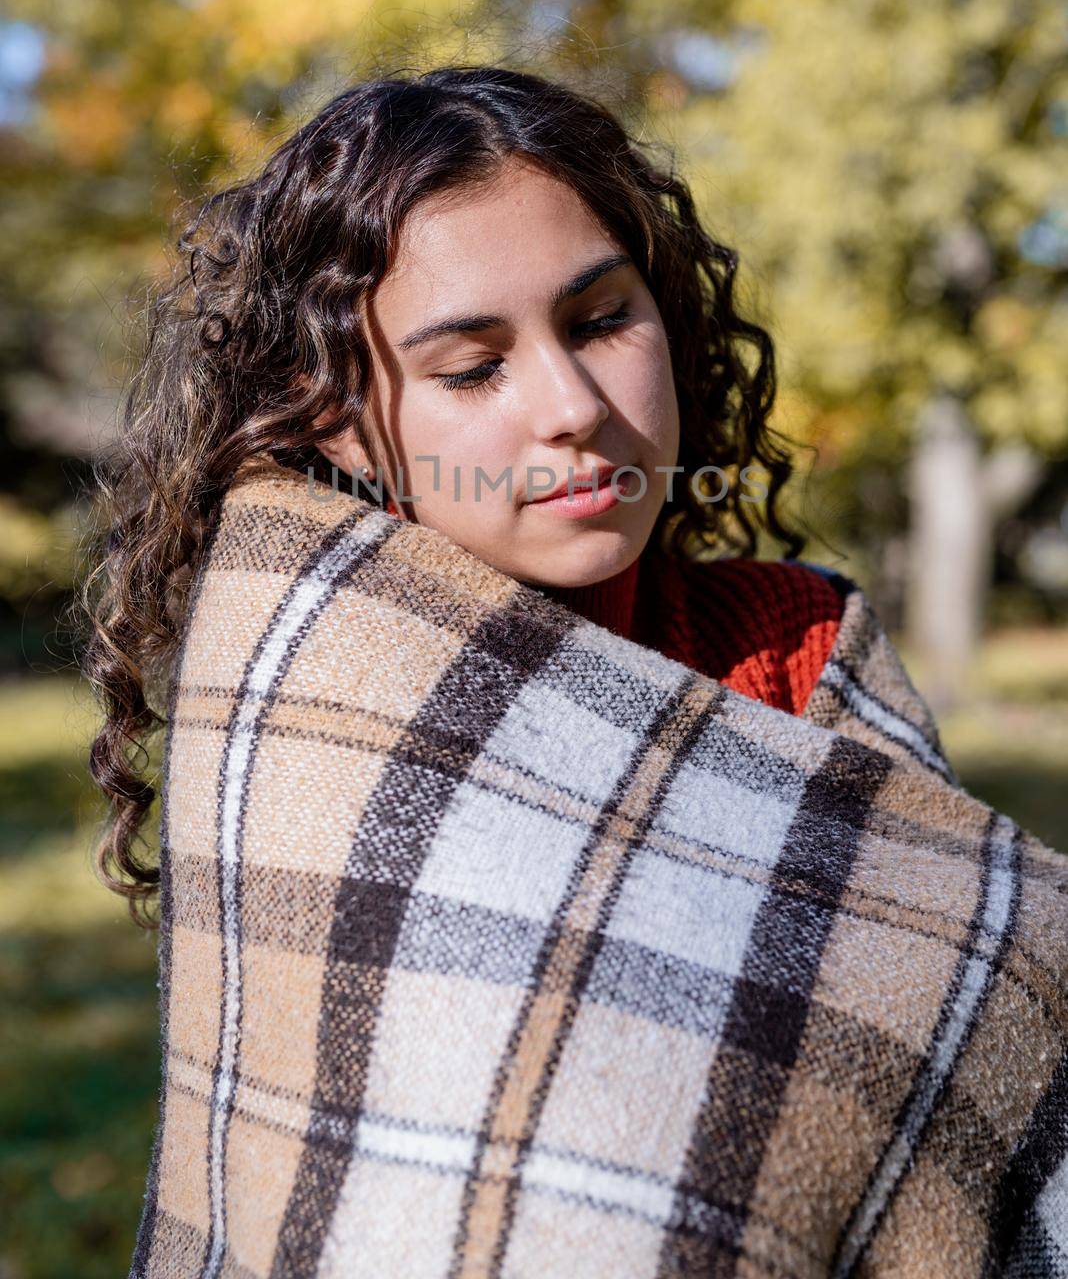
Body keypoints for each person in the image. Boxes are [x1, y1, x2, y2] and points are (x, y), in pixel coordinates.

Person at [81, 63, 851, 915]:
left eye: (600, 322)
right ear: (333, 421)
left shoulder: (801, 644)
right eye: (474, 368)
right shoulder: (307, 727)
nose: (573, 408)